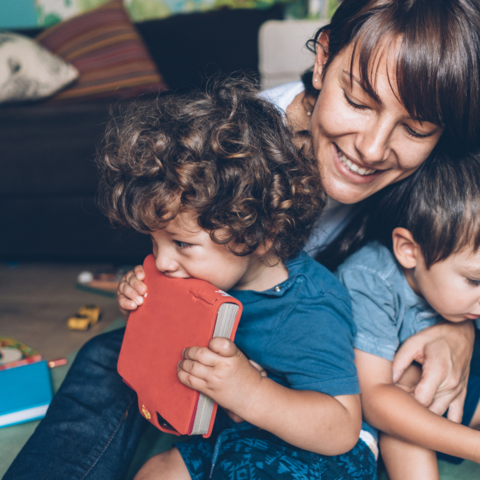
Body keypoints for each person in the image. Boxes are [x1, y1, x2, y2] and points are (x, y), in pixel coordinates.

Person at [5, 1, 480, 478]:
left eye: (415, 129)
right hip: (234, 320)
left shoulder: (439, 167)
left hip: (342, 344)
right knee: (106, 359)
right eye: (358, 102)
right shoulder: (232, 149)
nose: (372, 149)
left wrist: (459, 331)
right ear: (323, 60)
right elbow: (179, 244)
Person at [102, 80, 376, 479]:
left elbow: (341, 430)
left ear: (256, 237)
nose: (160, 262)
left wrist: (251, 393)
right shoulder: (194, 277)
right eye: (154, 241)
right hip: (232, 435)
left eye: (180, 243)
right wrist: (144, 307)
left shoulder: (308, 309)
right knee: (153, 473)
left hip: (315, 454)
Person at [336, 151, 480, 479]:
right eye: (474, 280)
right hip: (404, 404)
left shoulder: (460, 285)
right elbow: (375, 400)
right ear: (409, 250)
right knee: (401, 391)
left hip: (456, 385)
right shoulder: (369, 280)